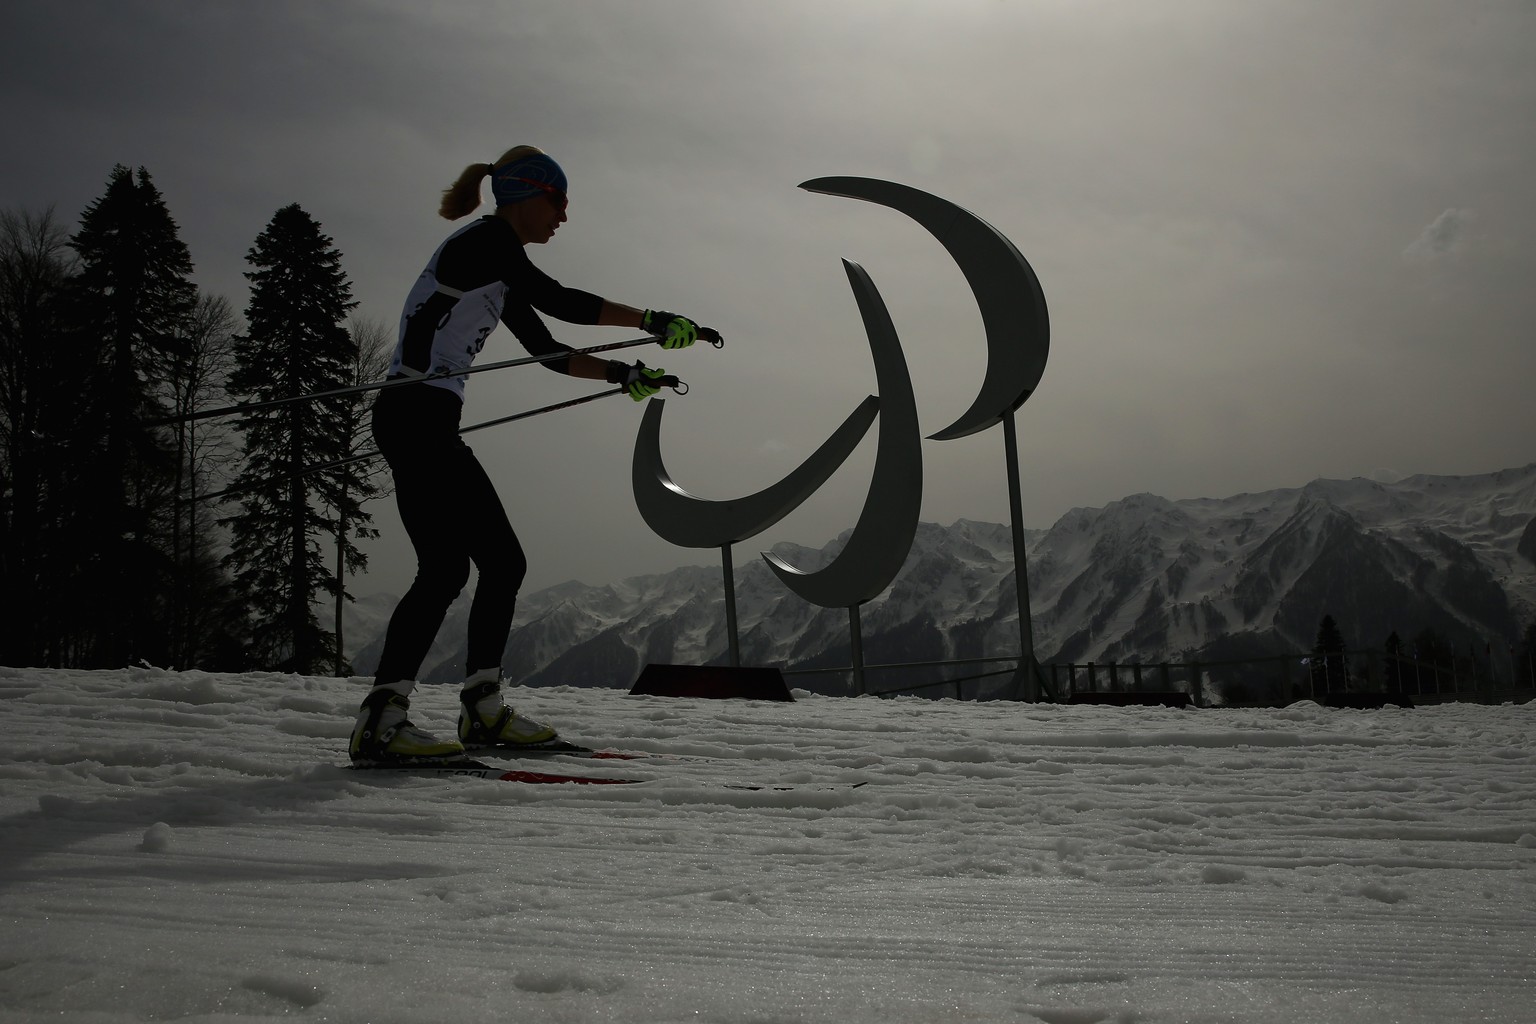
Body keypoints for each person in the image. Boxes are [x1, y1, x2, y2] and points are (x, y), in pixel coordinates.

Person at [350, 145, 710, 765]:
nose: (564, 217)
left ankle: (411, 715)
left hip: (417, 416)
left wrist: (622, 375)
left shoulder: (496, 265)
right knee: (493, 562)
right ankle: (454, 714)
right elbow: (563, 299)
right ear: (525, 194)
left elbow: (547, 350)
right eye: (559, 201)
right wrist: (653, 318)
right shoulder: (489, 243)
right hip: (418, 415)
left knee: (452, 568)